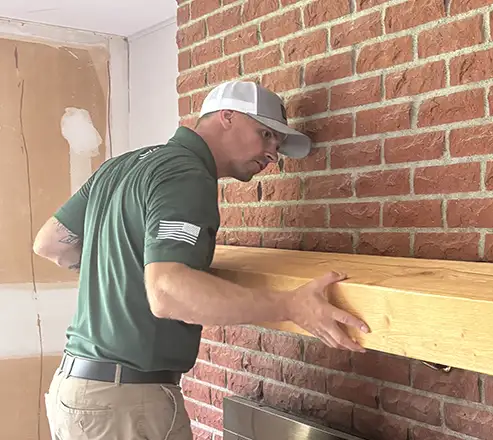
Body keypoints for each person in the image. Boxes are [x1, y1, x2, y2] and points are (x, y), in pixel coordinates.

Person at [32, 80, 370, 440]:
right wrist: (292, 306)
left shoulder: (120, 167)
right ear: (227, 117)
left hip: (79, 391)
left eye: (278, 145)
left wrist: (123, 265)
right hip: (125, 404)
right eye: (266, 134)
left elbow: (52, 244)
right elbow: (168, 293)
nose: (273, 154)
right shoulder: (186, 173)